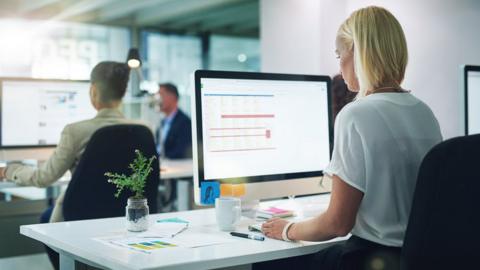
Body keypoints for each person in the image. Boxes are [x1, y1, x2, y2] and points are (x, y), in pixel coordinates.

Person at [257, 6, 443, 270]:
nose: (340, 67)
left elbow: (337, 224)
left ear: (357, 53)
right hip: (418, 258)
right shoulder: (424, 112)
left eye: (339, 55)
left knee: (270, 263)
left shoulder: (355, 114)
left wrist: (289, 229)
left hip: (370, 258)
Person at [0, 61, 140, 224]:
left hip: (82, 219)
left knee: (46, 217)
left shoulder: (76, 131)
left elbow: (43, 178)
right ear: (122, 93)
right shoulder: (142, 130)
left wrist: (7, 171)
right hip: (125, 219)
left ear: (93, 91)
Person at [156, 83, 192, 159]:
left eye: (161, 95)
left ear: (173, 97)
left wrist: (159, 158)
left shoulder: (185, 122)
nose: (158, 100)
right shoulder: (162, 123)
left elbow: (181, 151)